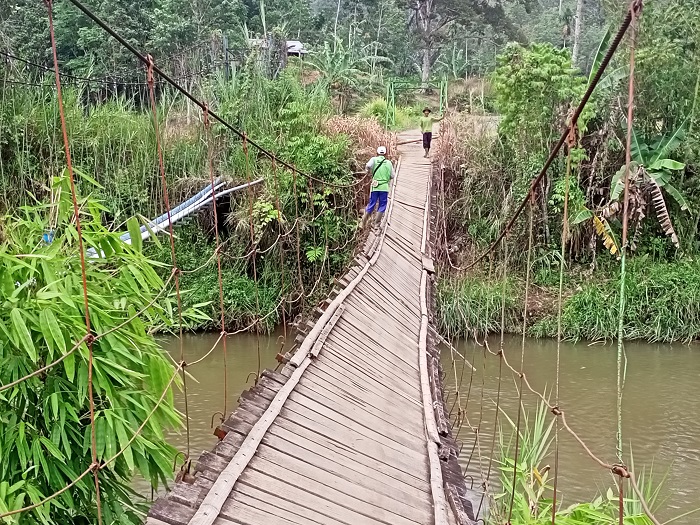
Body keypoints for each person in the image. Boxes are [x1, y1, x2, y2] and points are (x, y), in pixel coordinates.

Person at [361, 146, 395, 229]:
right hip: (384, 187)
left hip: (375, 186)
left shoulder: (374, 159)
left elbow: (368, 166)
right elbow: (392, 176)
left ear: (377, 153)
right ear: (385, 154)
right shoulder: (389, 163)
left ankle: (363, 223)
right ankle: (376, 224)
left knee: (372, 203)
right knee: (382, 204)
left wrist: (368, 171)